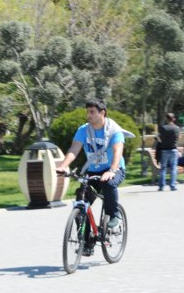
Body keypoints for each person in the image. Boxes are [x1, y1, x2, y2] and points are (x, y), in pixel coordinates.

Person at [56, 99, 134, 256]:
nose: (88, 115)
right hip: (93, 171)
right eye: (87, 112)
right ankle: (87, 243)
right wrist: (64, 165)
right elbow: (74, 149)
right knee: (80, 200)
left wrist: (112, 170)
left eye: (92, 112)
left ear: (102, 113)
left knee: (109, 184)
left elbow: (118, 151)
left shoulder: (114, 130)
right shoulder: (83, 130)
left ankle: (114, 215)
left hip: (114, 168)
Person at [158, 113, 180, 191]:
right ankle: (172, 185)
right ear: (173, 119)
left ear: (167, 119)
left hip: (164, 149)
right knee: (173, 168)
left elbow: (159, 138)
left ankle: (161, 186)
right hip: (173, 149)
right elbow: (178, 138)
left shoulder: (163, 128)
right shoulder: (177, 128)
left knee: (163, 168)